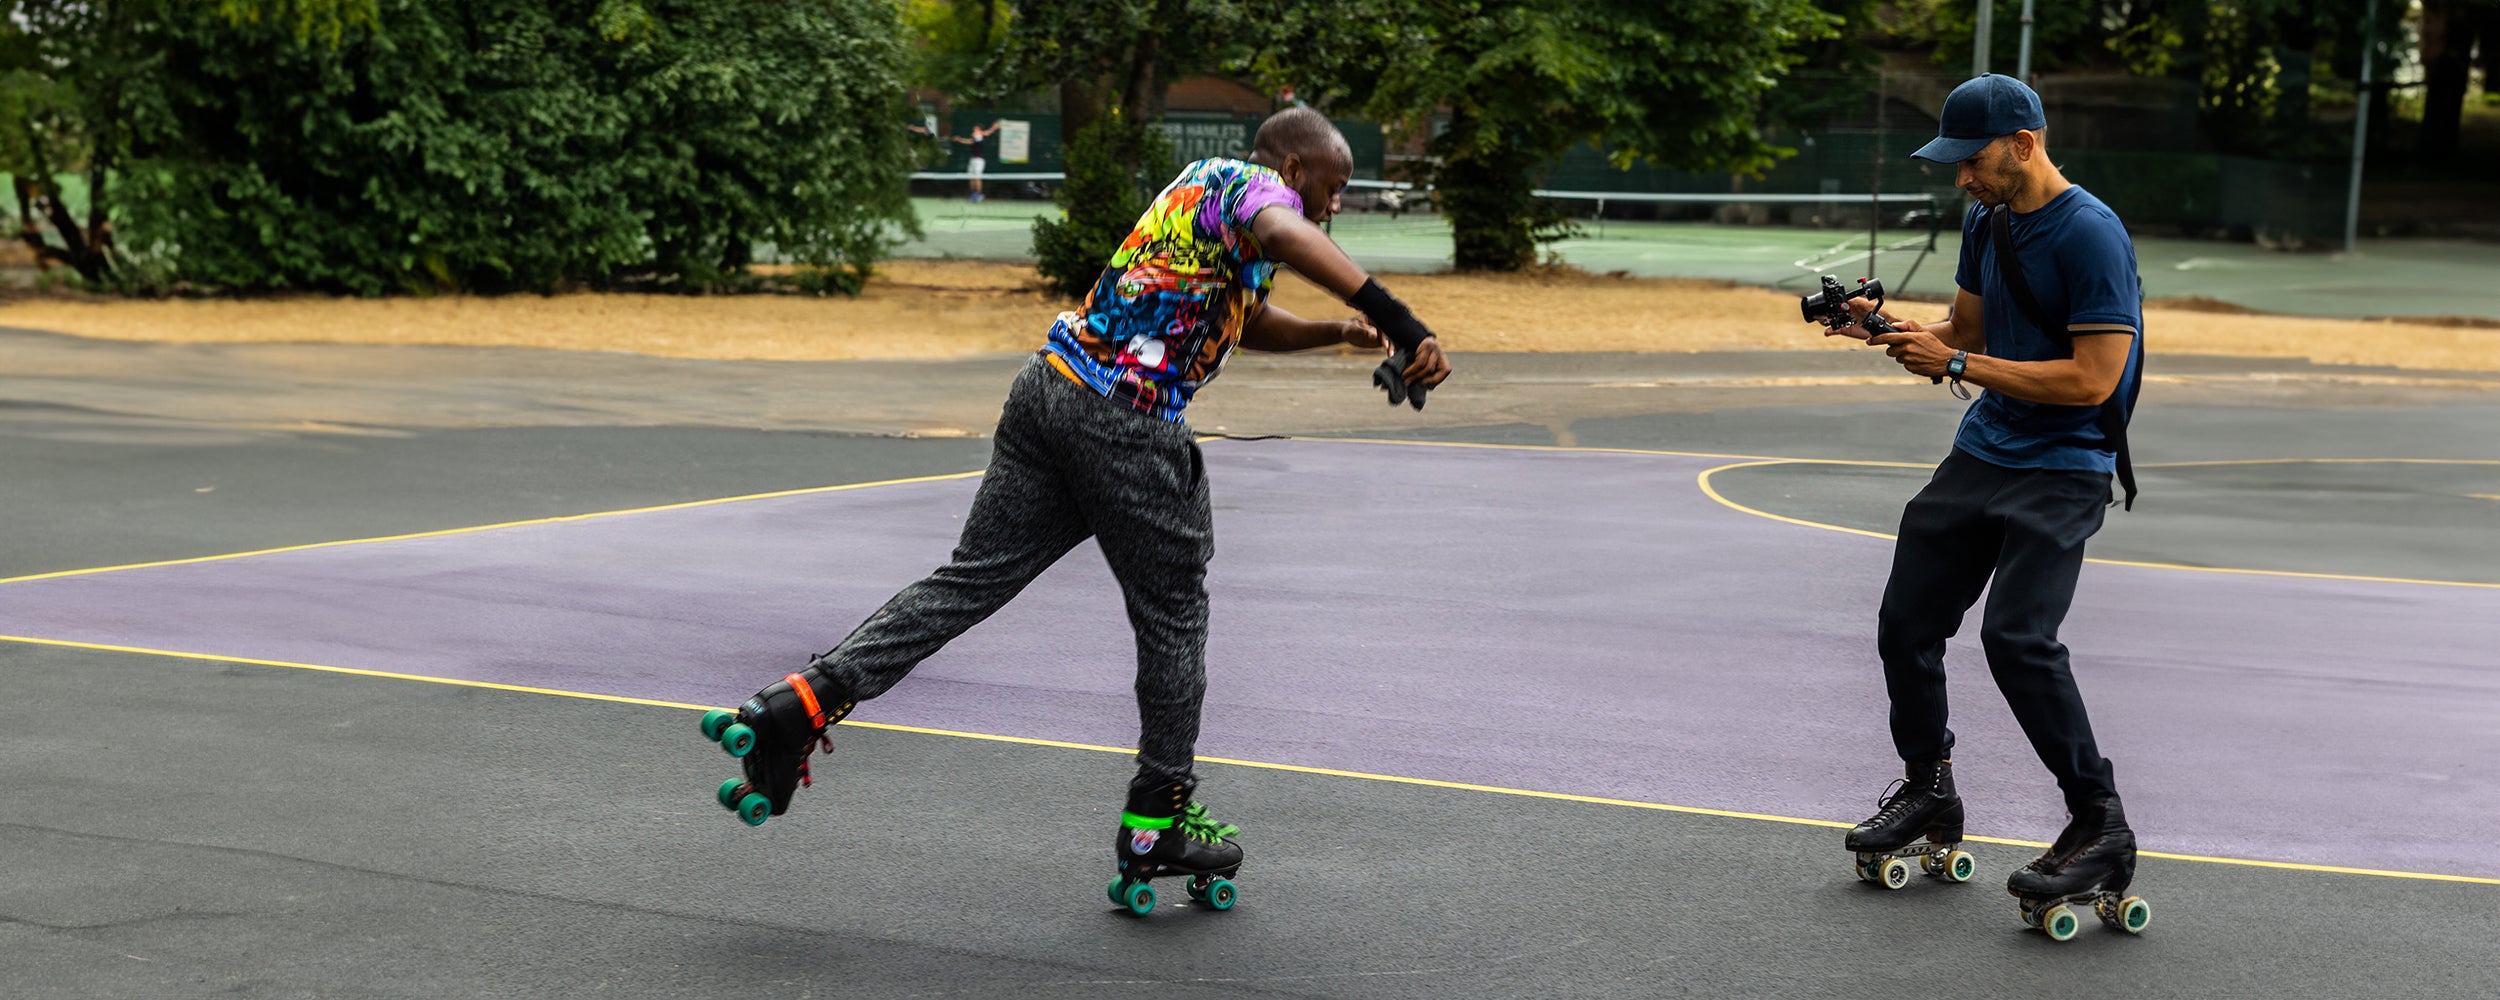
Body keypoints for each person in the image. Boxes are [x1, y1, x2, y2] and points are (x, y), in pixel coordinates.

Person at [703, 107, 1452, 915]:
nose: (1333, 207)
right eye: (1332, 189)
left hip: (1050, 393)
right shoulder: (1256, 191)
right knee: (1172, 616)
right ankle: (1156, 819)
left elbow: (1247, 317)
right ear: (1298, 169)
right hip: (1123, 424)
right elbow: (1287, 231)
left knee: (972, 579)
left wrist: (1341, 330)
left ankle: (801, 704)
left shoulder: (1205, 201)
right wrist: (1405, 320)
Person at [1816, 74, 2148, 931]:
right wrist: (1888, 328)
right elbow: (1966, 331)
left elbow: (2092, 379)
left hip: (2066, 462)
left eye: (1973, 161)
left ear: (2025, 144)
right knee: (1906, 622)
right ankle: (1930, 789)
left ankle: (2099, 822)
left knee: (2017, 639)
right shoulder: (1986, 218)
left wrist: (1958, 369)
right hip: (1985, 449)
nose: (1960, 177)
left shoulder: (2092, 235)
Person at [953, 119, 1004, 202]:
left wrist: (993, 128)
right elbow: (969, 141)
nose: (973, 130)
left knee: (977, 178)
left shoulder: (980, 134)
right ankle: (973, 194)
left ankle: (979, 194)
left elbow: (987, 133)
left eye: (975, 128)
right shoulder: (975, 138)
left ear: (979, 130)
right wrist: (959, 140)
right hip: (972, 160)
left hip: (979, 161)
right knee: (971, 177)